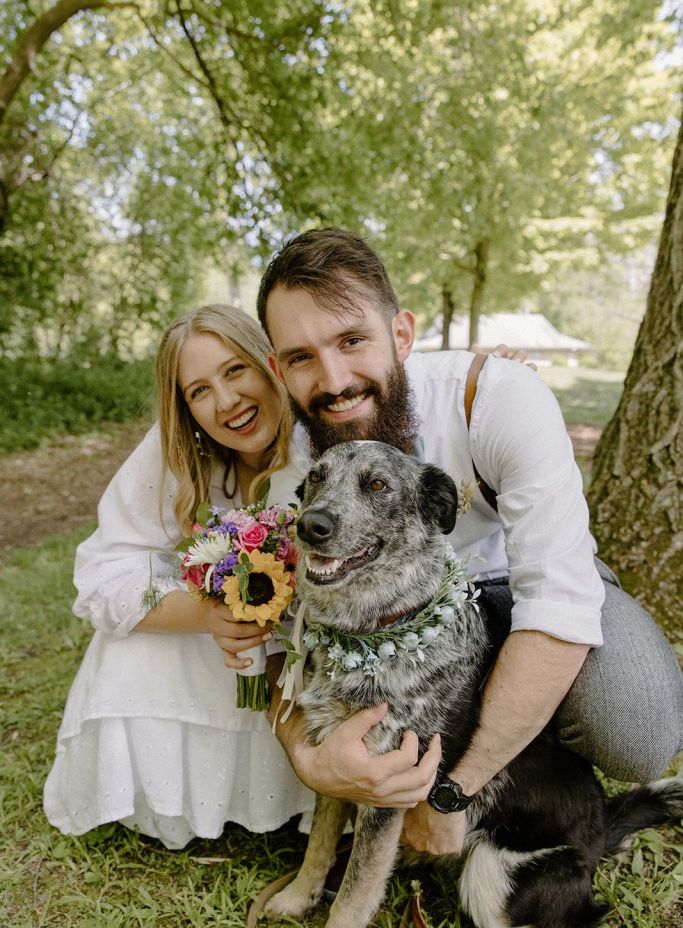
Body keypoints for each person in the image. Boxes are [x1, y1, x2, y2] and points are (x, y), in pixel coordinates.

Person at [256, 227, 683, 856]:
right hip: (397, 623)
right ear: (278, 367)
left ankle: (525, 763)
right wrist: (309, 759)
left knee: (636, 724)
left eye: (352, 340)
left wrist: (453, 791)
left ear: (401, 335)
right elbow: (275, 634)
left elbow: (558, 604)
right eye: (300, 356)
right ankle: (487, 719)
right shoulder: (296, 464)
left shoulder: (499, 398)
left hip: (519, 590)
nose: (334, 379)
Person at [43, 305, 315, 850]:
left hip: (309, 648)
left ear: (269, 363)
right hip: (226, 647)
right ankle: (180, 793)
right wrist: (203, 613)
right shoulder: (179, 455)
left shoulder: (323, 439)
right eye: (199, 390)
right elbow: (103, 575)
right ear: (185, 408)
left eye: (235, 370)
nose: (226, 402)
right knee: (129, 637)